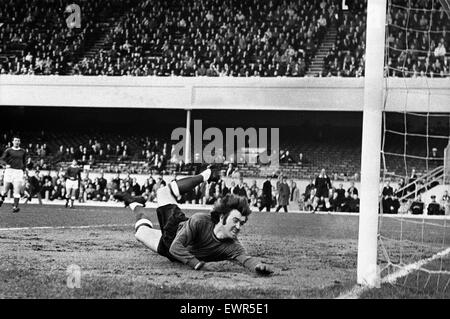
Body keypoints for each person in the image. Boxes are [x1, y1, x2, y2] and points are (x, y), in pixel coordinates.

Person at [113, 166, 274, 276]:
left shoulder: (233, 246)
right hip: (175, 229)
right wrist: (199, 265)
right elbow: (177, 246)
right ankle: (206, 174)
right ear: (222, 217)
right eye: (236, 221)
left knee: (140, 232)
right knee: (162, 192)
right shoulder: (199, 221)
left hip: (172, 251)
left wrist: (258, 266)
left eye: (242, 223)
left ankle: (135, 203)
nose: (239, 227)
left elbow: (245, 259)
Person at [0, 136, 27, 213]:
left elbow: (24, 162)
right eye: (15, 140)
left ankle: (15, 207)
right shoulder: (8, 150)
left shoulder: (23, 151)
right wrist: (5, 165)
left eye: (18, 141)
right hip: (9, 171)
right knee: (5, 190)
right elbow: (1, 159)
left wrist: (24, 172)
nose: (17, 142)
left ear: (20, 142)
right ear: (12, 142)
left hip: (18, 172)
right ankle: (1, 199)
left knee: (17, 190)